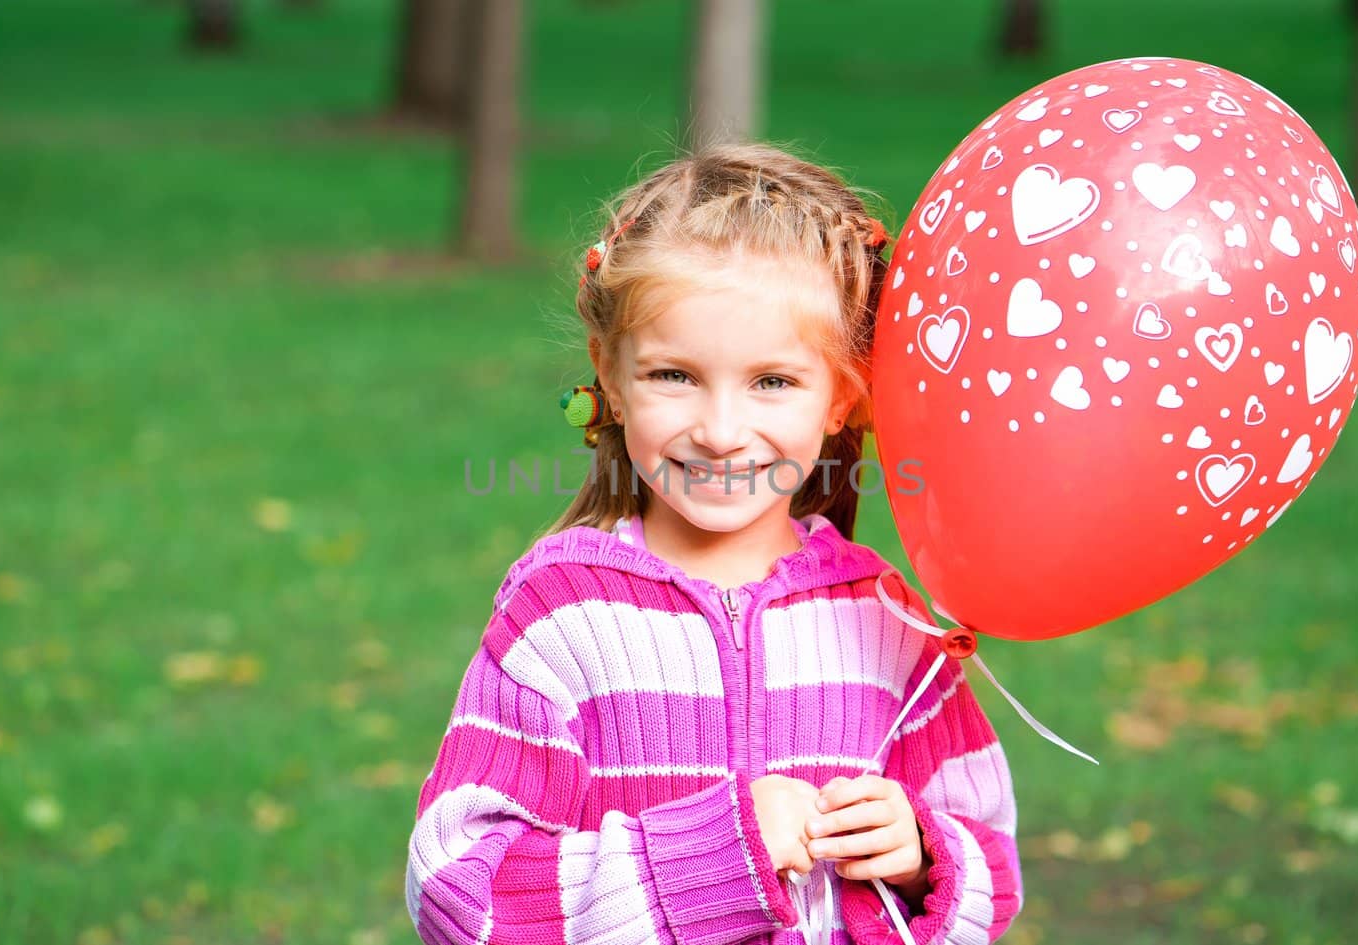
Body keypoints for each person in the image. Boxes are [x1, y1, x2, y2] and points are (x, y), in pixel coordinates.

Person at [406, 144, 1020, 945]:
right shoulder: (560, 613)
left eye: (773, 381)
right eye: (674, 375)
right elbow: (458, 893)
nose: (722, 433)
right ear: (612, 377)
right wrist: (718, 856)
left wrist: (921, 858)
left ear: (842, 396)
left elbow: (991, 861)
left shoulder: (888, 622)